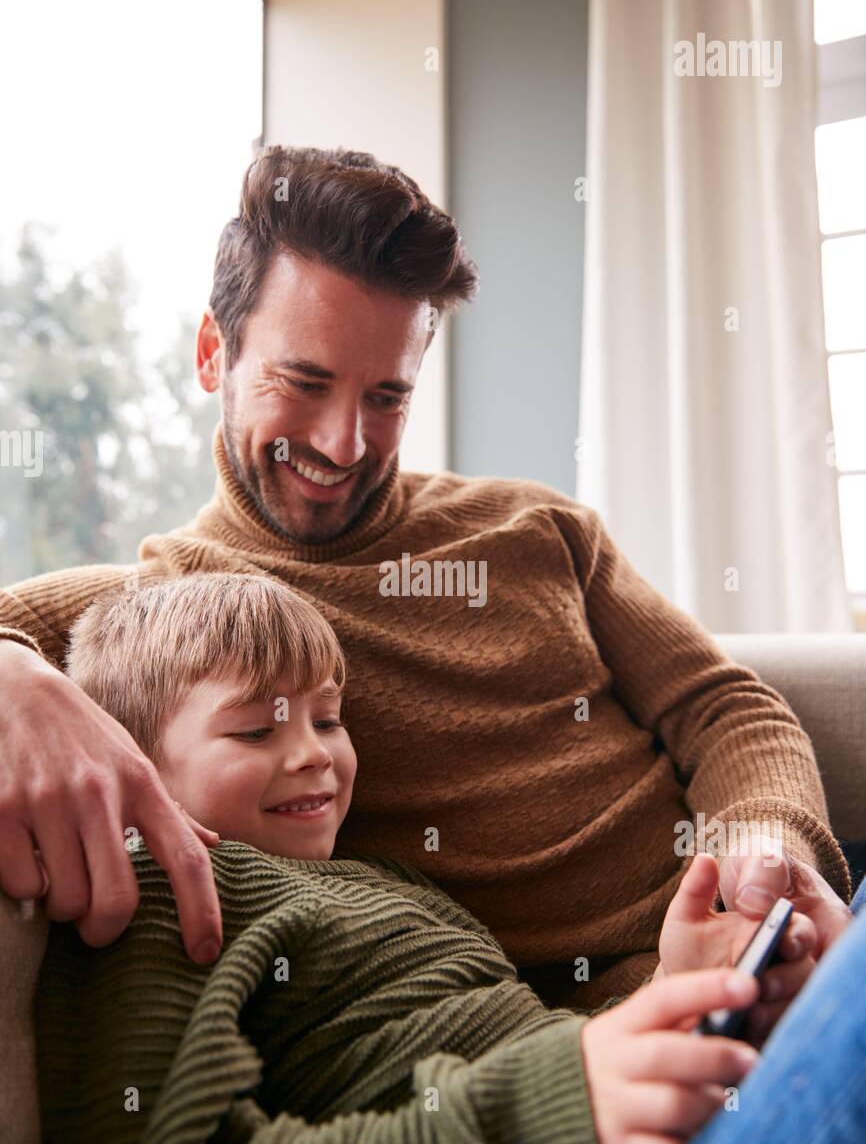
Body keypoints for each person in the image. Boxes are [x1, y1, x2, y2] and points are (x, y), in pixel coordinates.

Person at [0, 145, 853, 1026]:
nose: (344, 443)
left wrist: (768, 854)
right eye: (305, 382)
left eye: (386, 398)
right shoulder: (174, 607)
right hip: (629, 1027)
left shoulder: (536, 526)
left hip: (780, 926)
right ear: (215, 353)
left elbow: (721, 705)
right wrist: (13, 679)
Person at [5, 571, 856, 1144]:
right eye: (257, 731)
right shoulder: (158, 893)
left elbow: (541, 1068)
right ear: (132, 765)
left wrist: (682, 995)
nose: (314, 756)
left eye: (328, 720)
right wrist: (546, 1109)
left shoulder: (391, 887)